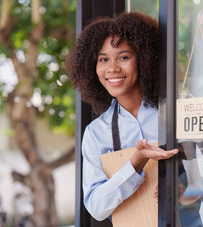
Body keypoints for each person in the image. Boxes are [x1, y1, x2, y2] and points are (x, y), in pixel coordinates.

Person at [67, 12, 179, 222]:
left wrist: (191, 191)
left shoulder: (180, 110)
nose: (112, 68)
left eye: (124, 57)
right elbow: (96, 207)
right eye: (103, 59)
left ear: (145, 59)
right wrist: (136, 162)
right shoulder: (96, 133)